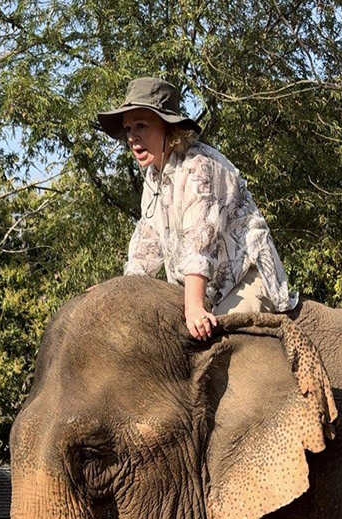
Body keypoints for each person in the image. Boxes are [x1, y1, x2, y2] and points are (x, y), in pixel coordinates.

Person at [97, 77, 298, 341]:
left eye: (141, 126)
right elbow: (146, 246)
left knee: (220, 344)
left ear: (170, 130)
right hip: (204, 291)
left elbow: (199, 241)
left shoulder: (199, 166)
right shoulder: (154, 177)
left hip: (245, 280)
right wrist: (116, 293)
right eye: (128, 129)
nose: (132, 136)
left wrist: (193, 307)